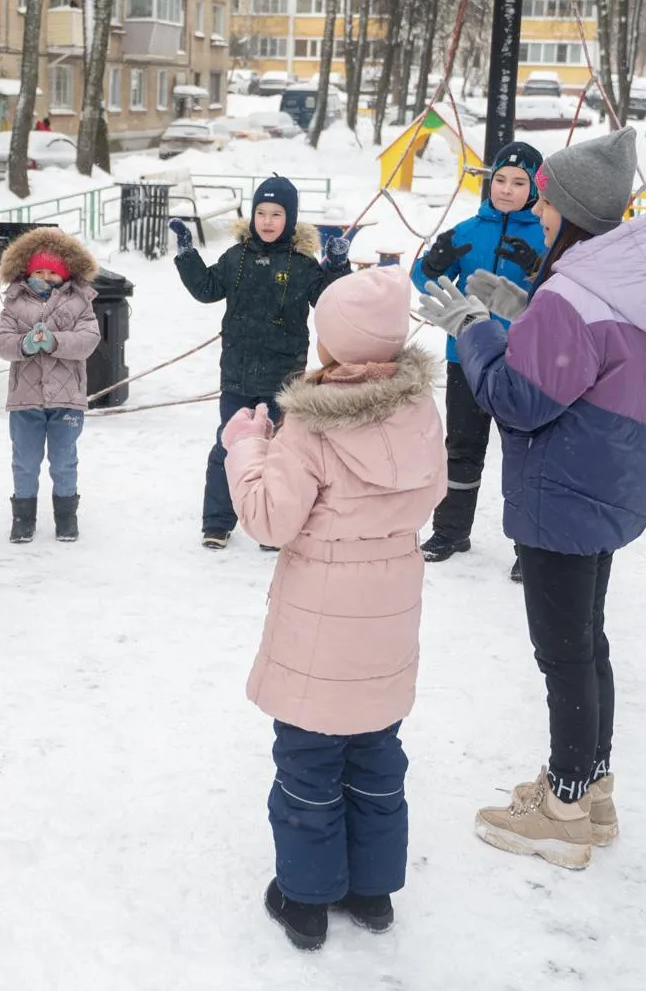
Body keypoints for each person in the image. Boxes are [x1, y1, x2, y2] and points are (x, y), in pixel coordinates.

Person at [421, 126, 646, 871]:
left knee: (563, 653)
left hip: (563, 491)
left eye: (546, 201)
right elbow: (583, 359)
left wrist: (475, 329)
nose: (537, 212)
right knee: (588, 642)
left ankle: (563, 811)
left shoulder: (573, 298)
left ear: (574, 211)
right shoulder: (627, 279)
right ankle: (591, 788)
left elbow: (517, 399)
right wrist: (523, 312)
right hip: (607, 481)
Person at [220, 266, 446, 951]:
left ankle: (307, 897)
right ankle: (372, 891)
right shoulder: (419, 411)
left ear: (333, 343)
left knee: (309, 760)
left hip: (321, 616)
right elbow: (429, 491)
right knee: (376, 753)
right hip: (390, 607)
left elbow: (269, 518)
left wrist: (247, 448)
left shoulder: (311, 427)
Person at [169, 175, 352, 550]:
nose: (267, 221)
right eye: (261, 213)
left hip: (283, 378)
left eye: (277, 214)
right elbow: (207, 289)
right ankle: (218, 521)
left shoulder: (302, 265)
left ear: (291, 218)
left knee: (281, 452)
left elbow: (330, 301)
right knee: (229, 445)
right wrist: (187, 254)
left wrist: (337, 265)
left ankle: (274, 525)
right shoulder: (236, 258)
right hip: (237, 375)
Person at [407, 140, 546, 565]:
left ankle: (529, 545)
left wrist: (537, 268)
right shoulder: (468, 230)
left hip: (524, 362)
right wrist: (433, 264)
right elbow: (424, 279)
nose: (506, 189)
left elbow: (561, 293)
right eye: (500, 179)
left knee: (523, 453)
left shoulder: (546, 234)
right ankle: (451, 531)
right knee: (462, 448)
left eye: (519, 182)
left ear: (535, 189)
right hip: (465, 357)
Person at [0, 226, 101, 544]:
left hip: (67, 399)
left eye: (52, 272)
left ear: (65, 273)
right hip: (25, 399)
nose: (46, 277)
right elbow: (0, 340)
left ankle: (66, 518)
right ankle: (23, 518)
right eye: (39, 271)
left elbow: (88, 339)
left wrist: (55, 342)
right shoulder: (15, 302)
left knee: (64, 460)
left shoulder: (80, 301)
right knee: (25, 461)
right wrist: (23, 345)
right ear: (28, 271)